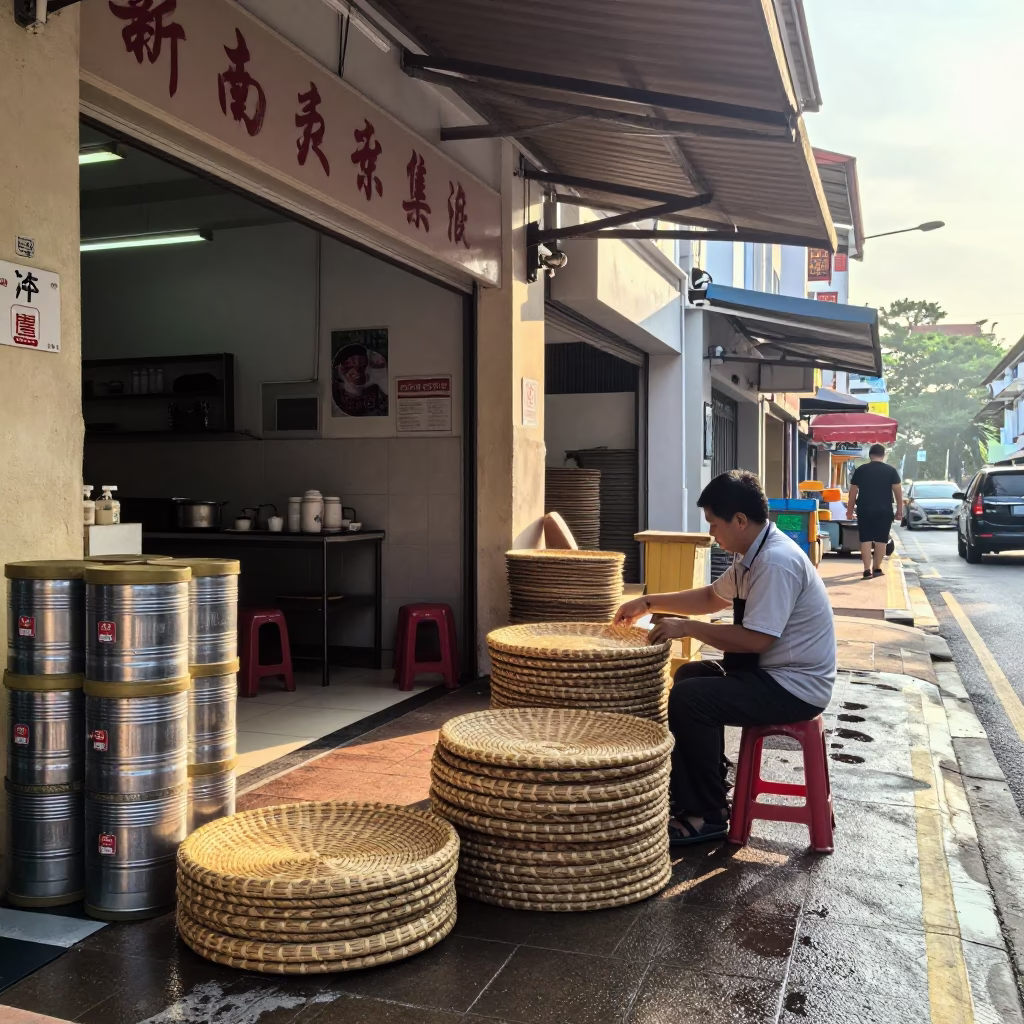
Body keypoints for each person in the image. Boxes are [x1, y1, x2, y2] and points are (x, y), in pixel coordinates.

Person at [614, 471, 836, 845]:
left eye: (715, 526)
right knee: (690, 676)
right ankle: (710, 784)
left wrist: (688, 629)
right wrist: (648, 602)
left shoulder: (775, 563)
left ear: (740, 521)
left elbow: (756, 640)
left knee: (691, 699)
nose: (714, 535)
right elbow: (709, 598)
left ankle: (708, 815)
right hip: (771, 674)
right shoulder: (753, 555)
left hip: (794, 687)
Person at [846, 444, 902, 580]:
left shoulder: (861, 470)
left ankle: (866, 570)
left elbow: (852, 493)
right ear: (883, 455)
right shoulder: (891, 471)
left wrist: (849, 510)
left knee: (865, 539)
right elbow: (898, 492)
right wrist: (899, 510)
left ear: (870, 455)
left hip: (864, 510)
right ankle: (877, 568)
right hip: (885, 511)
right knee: (881, 540)